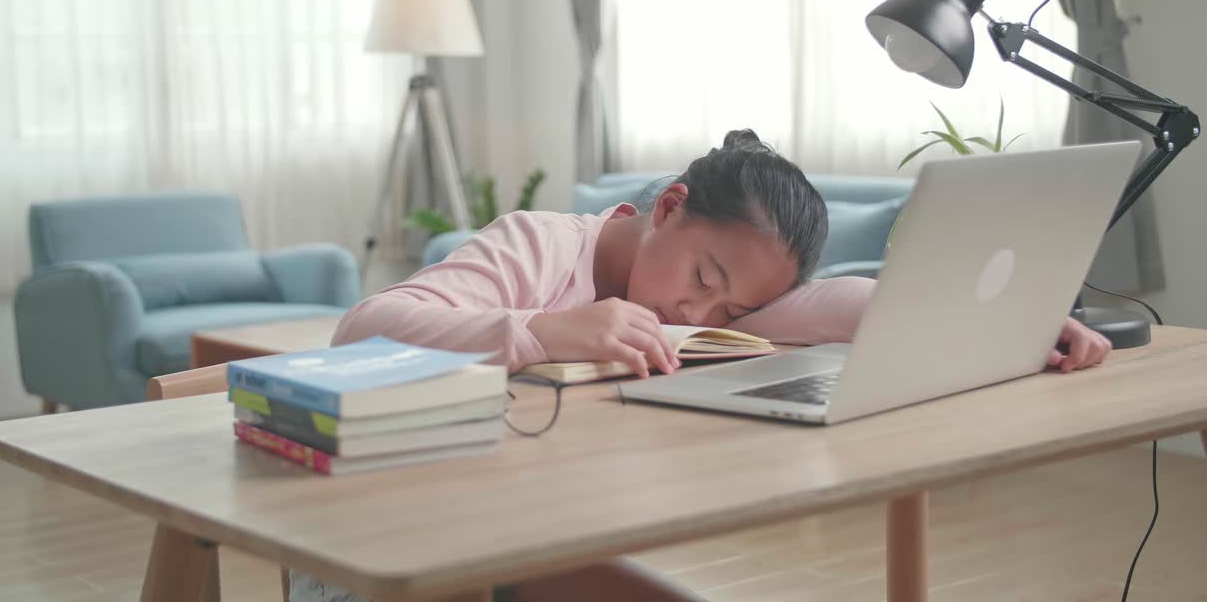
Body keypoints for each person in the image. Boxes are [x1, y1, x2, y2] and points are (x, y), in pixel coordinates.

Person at [292, 129, 1111, 602]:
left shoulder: (713, 315)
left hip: (518, 550)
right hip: (392, 554)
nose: (699, 314)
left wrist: (1030, 321)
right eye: (704, 278)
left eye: (731, 310)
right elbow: (364, 328)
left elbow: (847, 306)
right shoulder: (537, 246)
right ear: (670, 206)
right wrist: (545, 329)